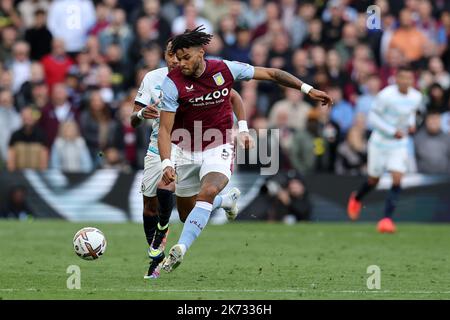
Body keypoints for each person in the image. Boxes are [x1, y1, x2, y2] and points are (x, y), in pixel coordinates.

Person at [157, 26, 332, 272]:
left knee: (206, 192)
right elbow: (164, 130)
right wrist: (166, 162)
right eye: (178, 58)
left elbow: (270, 74)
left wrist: (307, 89)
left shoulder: (224, 69)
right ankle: (226, 202)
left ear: (201, 52)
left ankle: (180, 249)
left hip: (219, 144)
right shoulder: (172, 84)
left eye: (186, 58)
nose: (181, 63)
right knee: (188, 214)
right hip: (185, 149)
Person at [131, 39, 251, 279]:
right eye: (171, 55)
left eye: (181, 56)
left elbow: (233, 96)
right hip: (158, 146)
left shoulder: (200, 75)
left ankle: (156, 255)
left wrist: (244, 127)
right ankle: (224, 202)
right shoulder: (153, 79)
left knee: (167, 188)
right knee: (159, 208)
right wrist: (143, 113)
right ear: (165, 56)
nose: (176, 60)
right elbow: (133, 119)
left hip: (189, 146)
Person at [347, 66, 423, 233]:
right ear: (396, 79)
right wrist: (391, 131)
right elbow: (373, 118)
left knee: (397, 178)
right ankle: (357, 197)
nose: (405, 81)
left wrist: (410, 125)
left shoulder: (416, 96)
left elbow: (410, 113)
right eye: (402, 78)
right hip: (380, 142)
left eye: (409, 78)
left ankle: (386, 219)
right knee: (374, 180)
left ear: (413, 80)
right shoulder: (386, 95)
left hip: (399, 143)